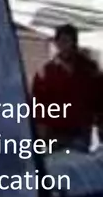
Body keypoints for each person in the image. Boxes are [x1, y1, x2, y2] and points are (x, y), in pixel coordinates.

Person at [33, 23, 103, 153]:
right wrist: (40, 128)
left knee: (76, 164)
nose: (65, 46)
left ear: (75, 43)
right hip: (55, 132)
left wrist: (100, 123)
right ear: (56, 43)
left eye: (68, 41)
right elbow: (39, 103)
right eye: (61, 41)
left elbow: (99, 98)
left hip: (80, 130)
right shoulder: (46, 72)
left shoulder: (89, 69)